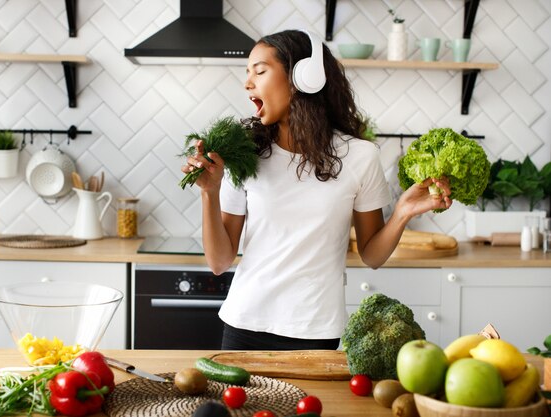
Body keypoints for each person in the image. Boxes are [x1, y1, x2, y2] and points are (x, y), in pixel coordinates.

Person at [181, 29, 452, 350]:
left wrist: (403, 212)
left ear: (302, 77)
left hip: (317, 330)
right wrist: (209, 193)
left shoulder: (360, 156)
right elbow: (219, 261)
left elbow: (372, 255)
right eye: (247, 72)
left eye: (260, 71)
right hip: (245, 324)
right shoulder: (245, 156)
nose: (248, 82)